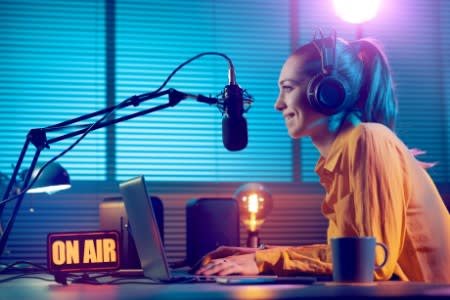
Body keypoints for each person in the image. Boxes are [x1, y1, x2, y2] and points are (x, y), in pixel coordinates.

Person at [196, 31, 450, 283]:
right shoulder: (345, 152)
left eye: (288, 88)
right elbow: (350, 253)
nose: (278, 104)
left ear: (327, 92)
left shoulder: (368, 139)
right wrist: (262, 255)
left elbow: (369, 262)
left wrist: (266, 262)